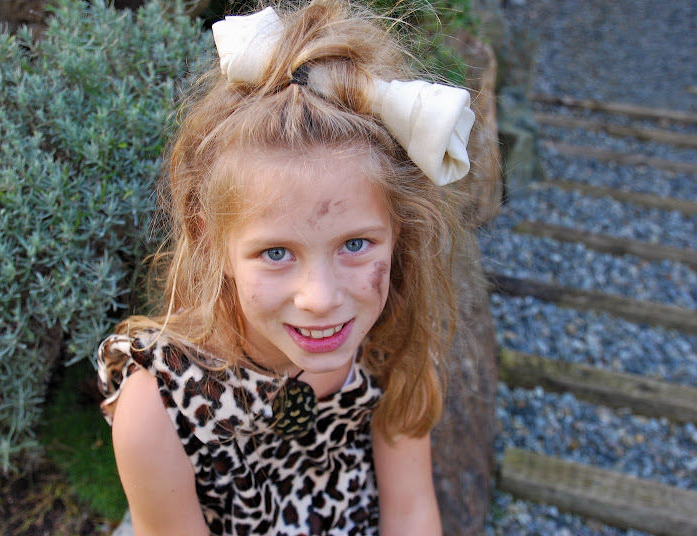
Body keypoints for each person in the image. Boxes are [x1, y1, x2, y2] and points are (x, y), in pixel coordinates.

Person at [96, 1, 474, 534]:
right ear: (211, 240)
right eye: (276, 253)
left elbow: (410, 511)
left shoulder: (392, 346)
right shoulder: (157, 409)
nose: (320, 298)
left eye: (355, 244)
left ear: (399, 232)